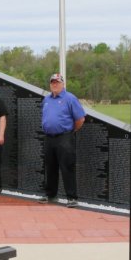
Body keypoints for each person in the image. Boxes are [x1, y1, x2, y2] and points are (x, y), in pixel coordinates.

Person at [40, 73, 86, 208]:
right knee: (50, 167)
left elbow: (80, 119)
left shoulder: (70, 98)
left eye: (57, 82)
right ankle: (51, 195)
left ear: (62, 84)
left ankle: (71, 197)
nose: (54, 84)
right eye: (52, 82)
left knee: (67, 167)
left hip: (64, 137)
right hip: (49, 138)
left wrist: (72, 131)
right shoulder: (46, 99)